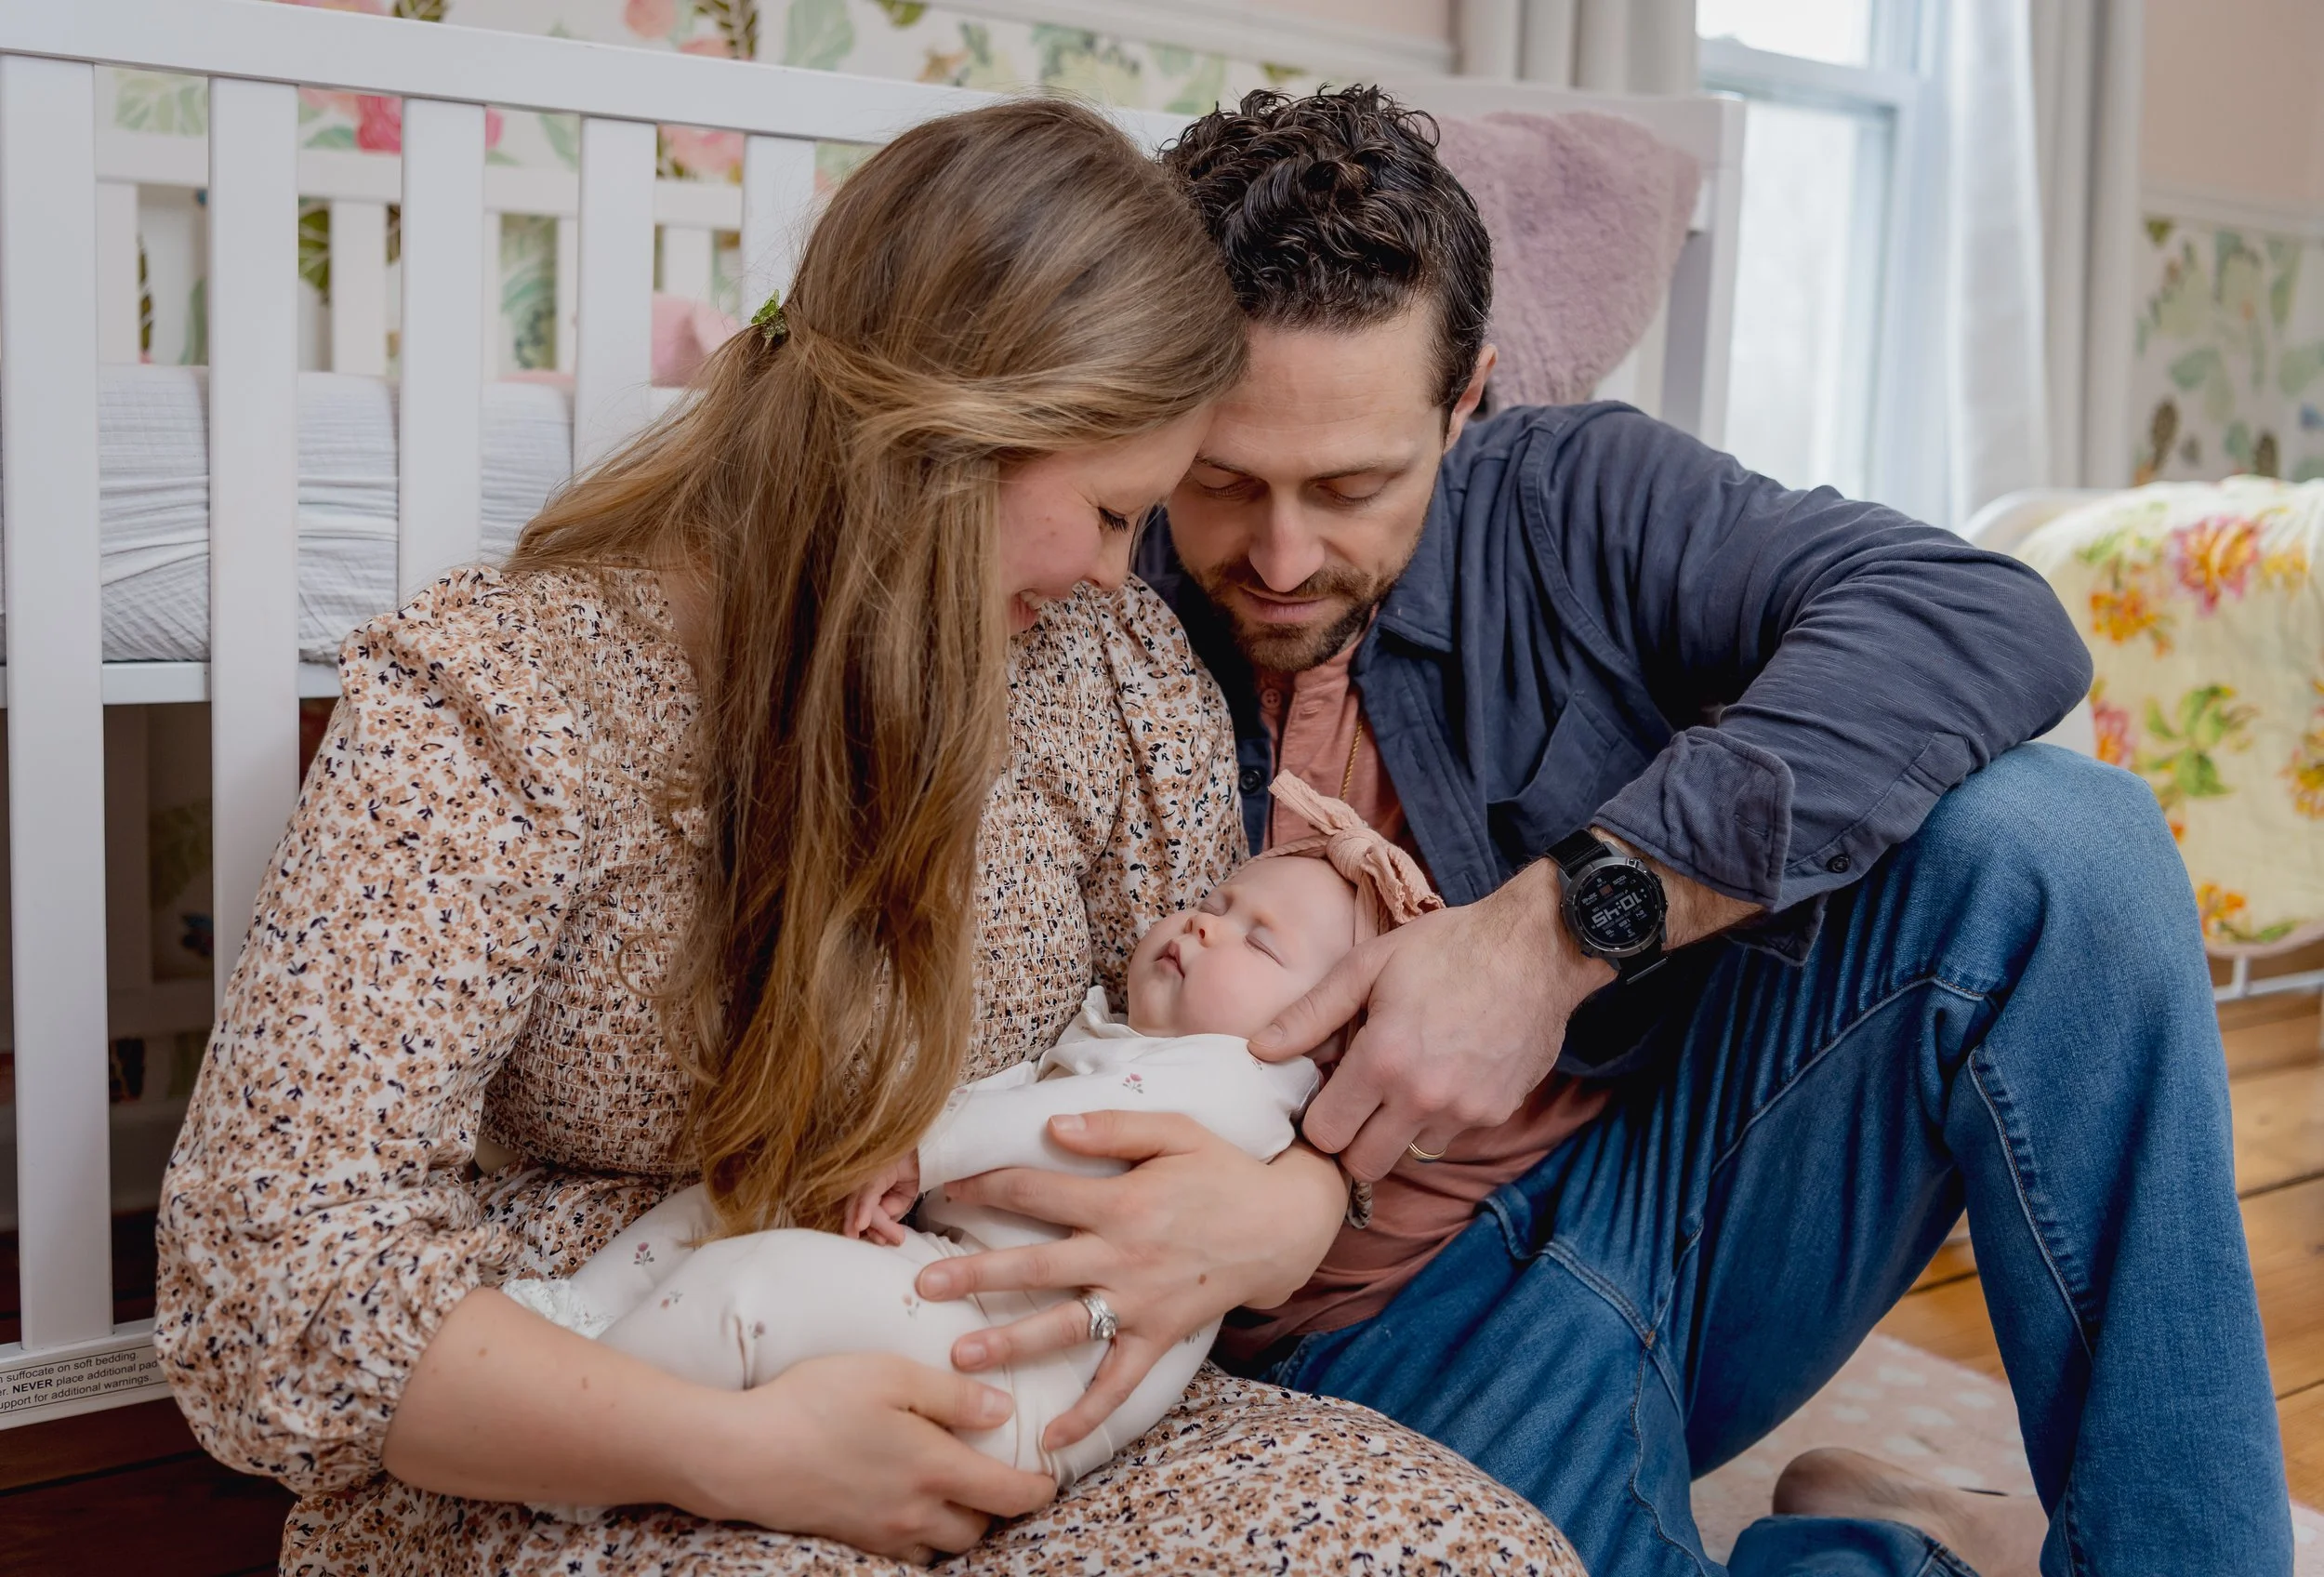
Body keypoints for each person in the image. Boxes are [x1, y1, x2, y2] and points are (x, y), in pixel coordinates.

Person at [152, 99, 1582, 1575]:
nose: (1115, 576)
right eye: (1103, 512)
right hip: (611, 1399)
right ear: (941, 446)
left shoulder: (1105, 679)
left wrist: (1291, 1200)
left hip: (1003, 1379)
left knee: (1468, 1553)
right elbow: (267, 1294)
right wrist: (734, 1448)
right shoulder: (505, 708)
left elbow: (1204, 1046)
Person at [917, 86, 2293, 1576]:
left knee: (2061, 849)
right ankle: (1917, 1543)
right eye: (1226, 479)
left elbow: (1980, 619)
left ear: (1466, 404)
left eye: (1357, 485)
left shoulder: (1571, 500)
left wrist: (1556, 929)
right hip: (1382, 1345)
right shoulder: (1078, 608)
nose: (1285, 554)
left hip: (1686, 1181)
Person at [501, 776, 1438, 1495]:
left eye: (1259, 942)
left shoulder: (1246, 1088)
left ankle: (567, 1438)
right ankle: (571, 1318)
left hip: (1015, 1392)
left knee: (747, 1287)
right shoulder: (1154, 1042)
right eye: (1223, 900)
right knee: (742, 1199)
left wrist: (920, 1150)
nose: (1207, 921)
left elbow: (1057, 1129)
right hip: (954, 1293)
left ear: (1328, 1039)